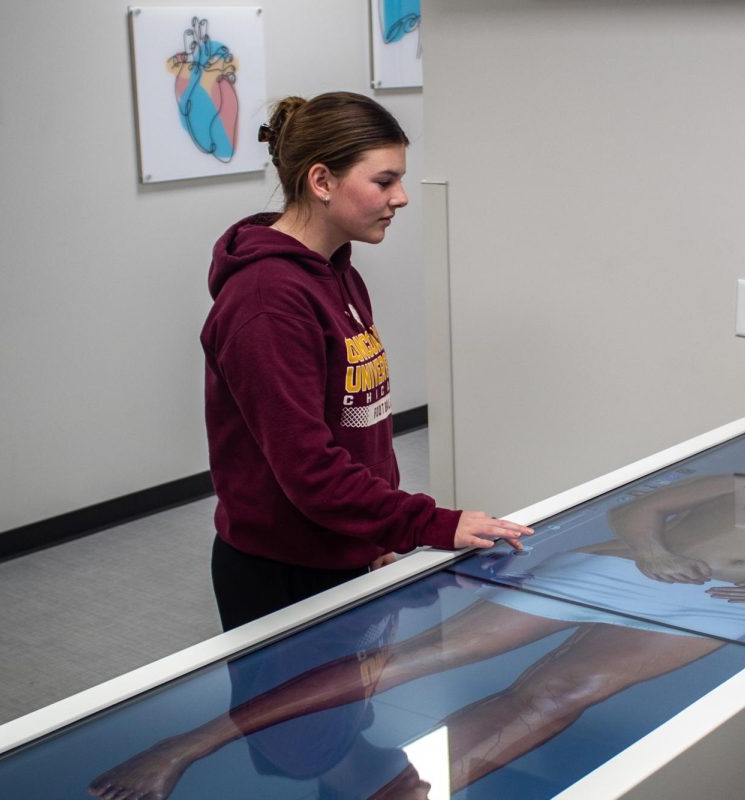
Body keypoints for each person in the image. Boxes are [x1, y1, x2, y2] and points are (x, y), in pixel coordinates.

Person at [89, 455, 745, 799]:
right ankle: (184, 746)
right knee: (430, 652)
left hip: (711, 607)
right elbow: (649, 510)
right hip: (627, 567)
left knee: (559, 694)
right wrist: (648, 554)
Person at [200, 91, 531, 631]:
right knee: (298, 718)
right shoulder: (266, 301)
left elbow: (356, 424)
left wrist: (373, 535)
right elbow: (309, 469)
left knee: (355, 716)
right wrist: (429, 524)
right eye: (384, 180)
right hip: (284, 571)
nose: (401, 197)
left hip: (342, 549)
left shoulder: (338, 272)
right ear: (322, 181)